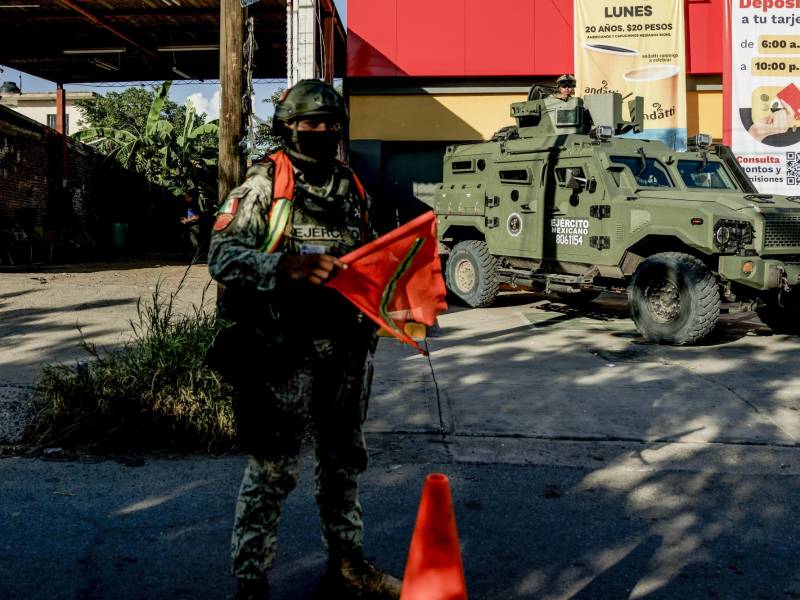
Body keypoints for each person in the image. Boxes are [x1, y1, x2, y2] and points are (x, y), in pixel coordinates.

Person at [207, 79, 402, 600]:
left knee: (343, 464)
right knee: (273, 469)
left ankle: (348, 566)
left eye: (330, 123)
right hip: (281, 352)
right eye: (310, 123)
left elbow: (368, 261)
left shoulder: (352, 186)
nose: (321, 131)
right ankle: (251, 583)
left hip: (345, 354)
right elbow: (220, 258)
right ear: (288, 127)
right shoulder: (263, 186)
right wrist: (283, 266)